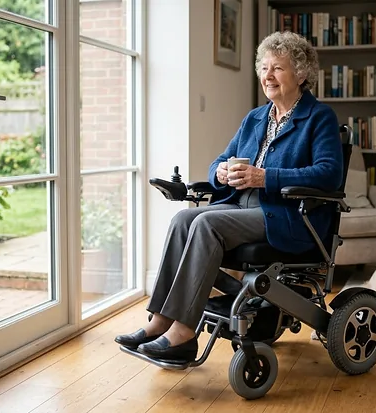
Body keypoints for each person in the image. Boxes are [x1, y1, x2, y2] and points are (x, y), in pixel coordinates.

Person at [115, 31, 344, 362]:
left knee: (208, 223)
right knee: (183, 218)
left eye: (277, 68)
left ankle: (182, 335)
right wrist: (219, 174)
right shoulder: (255, 119)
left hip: (289, 215)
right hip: (240, 206)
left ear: (301, 73)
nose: (268, 75)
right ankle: (160, 321)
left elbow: (328, 174)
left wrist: (266, 177)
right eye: (264, 67)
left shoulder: (319, 117)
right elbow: (219, 162)